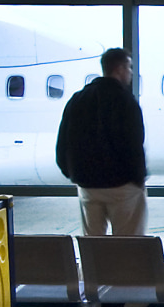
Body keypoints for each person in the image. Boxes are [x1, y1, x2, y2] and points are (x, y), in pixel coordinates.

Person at [54, 47, 148, 236]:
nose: (130, 73)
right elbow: (133, 145)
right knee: (129, 245)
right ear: (119, 69)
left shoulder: (77, 99)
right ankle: (122, 267)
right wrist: (138, 178)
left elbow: (62, 145)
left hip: (88, 185)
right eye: (129, 68)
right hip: (121, 187)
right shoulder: (125, 101)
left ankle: (95, 267)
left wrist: (75, 174)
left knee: (92, 245)